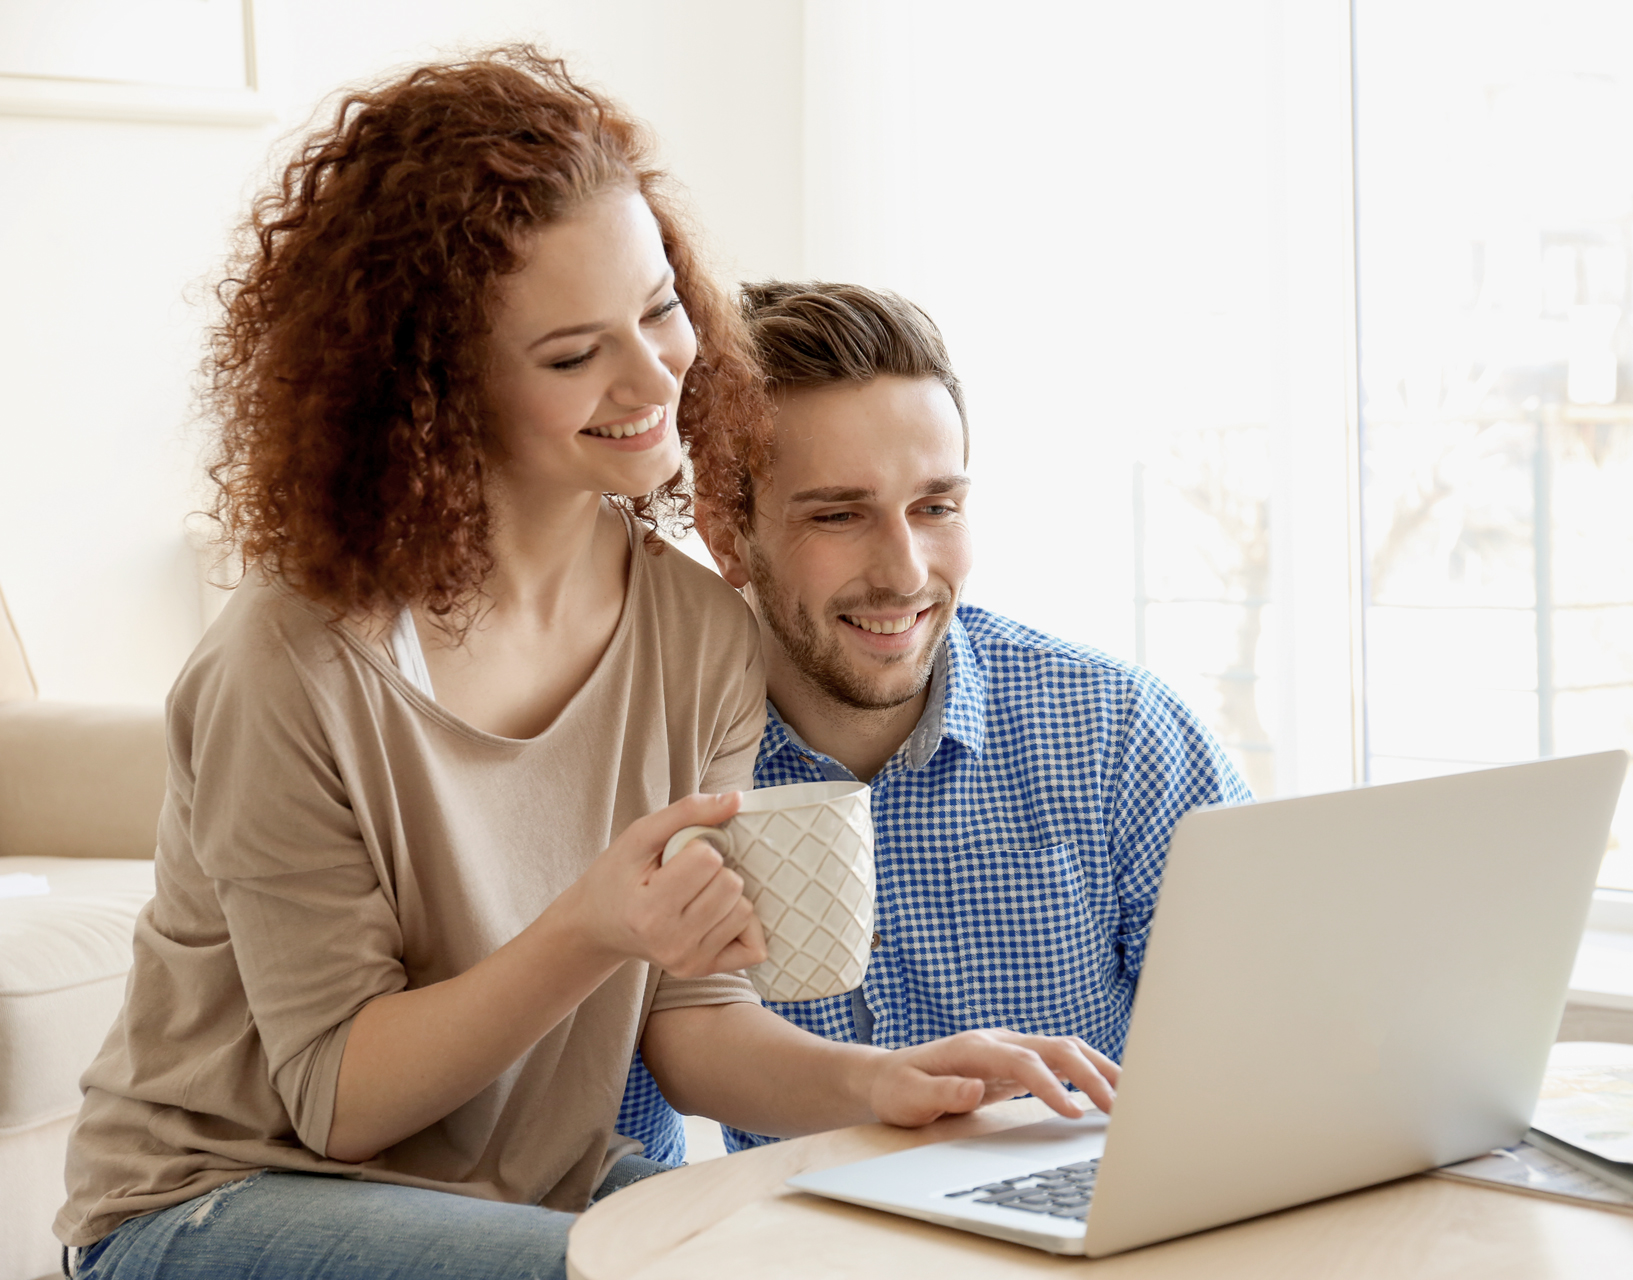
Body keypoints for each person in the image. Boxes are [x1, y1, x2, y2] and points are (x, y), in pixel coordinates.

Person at [55, 53, 1116, 1280]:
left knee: (846, 1252)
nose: (656, 376)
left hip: (527, 1184)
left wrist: (885, 1082)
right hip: (219, 1197)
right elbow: (338, 1097)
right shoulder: (293, 660)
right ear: (436, 390)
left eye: (661, 308)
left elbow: (692, 1021)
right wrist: (595, 925)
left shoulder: (696, 633)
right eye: (572, 355)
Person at [615, 282, 1249, 1155]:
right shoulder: (658, 770)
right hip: (802, 1228)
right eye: (840, 515)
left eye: (936, 507)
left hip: (1094, 1211)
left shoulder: (1120, 735)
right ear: (728, 535)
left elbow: (1276, 1032)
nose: (906, 572)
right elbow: (629, 1126)